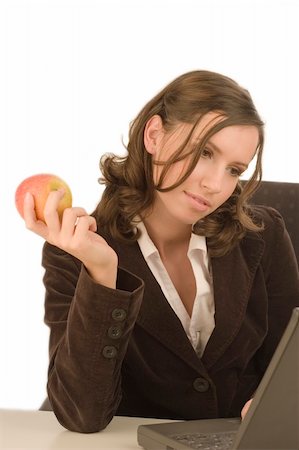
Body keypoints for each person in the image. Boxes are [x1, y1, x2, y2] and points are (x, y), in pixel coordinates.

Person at [23, 70, 299, 433]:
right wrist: (104, 276)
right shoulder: (75, 252)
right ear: (154, 135)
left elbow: (289, 363)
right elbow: (82, 416)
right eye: (204, 152)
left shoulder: (262, 236)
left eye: (234, 169)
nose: (216, 185)